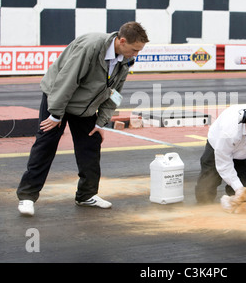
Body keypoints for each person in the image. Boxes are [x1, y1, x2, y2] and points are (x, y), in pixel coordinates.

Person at [17, 21, 149, 216]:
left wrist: (101, 122)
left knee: (91, 143)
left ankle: (86, 196)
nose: (136, 54)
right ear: (121, 41)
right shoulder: (91, 47)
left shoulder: (125, 59)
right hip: (58, 96)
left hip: (84, 104)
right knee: (46, 143)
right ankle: (27, 196)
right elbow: (67, 80)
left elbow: (115, 92)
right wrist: (55, 114)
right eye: (134, 49)